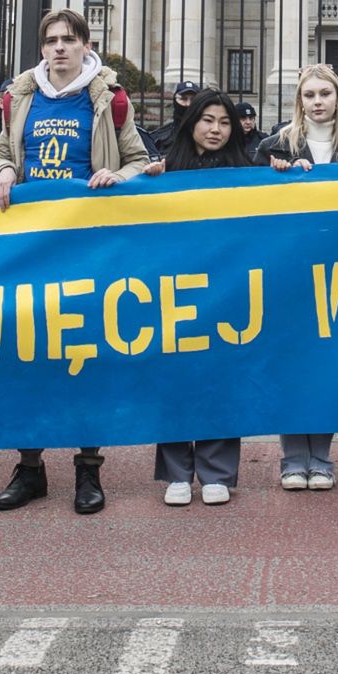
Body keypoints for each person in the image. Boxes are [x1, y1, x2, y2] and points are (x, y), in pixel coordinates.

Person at [0, 7, 150, 514]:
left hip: (86, 252)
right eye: (51, 40)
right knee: (28, 355)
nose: (59, 47)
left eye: (69, 39)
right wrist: (7, 169)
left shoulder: (108, 98)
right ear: (42, 48)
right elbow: (0, 153)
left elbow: (139, 160)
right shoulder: (18, 97)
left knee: (85, 357)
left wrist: (117, 178)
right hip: (31, 248)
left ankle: (87, 469)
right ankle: (30, 467)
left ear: (85, 45)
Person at [257, 63, 338, 491]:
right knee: (291, 364)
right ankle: (292, 457)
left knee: (327, 365)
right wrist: (272, 176)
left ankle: (321, 456)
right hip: (288, 271)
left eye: (325, 94)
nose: (317, 102)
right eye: (309, 95)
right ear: (298, 101)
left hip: (337, 270)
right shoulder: (272, 146)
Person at [144, 90, 247, 505]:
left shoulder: (248, 170)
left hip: (228, 290)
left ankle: (217, 472)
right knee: (174, 376)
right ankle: (176, 473)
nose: (215, 129)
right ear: (192, 123)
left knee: (222, 379)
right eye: (208, 120)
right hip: (177, 291)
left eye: (224, 122)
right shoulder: (165, 171)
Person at [148, 79, 200, 156]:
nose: (188, 104)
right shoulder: (159, 137)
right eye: (183, 99)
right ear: (175, 101)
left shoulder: (208, 134)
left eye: (193, 99)